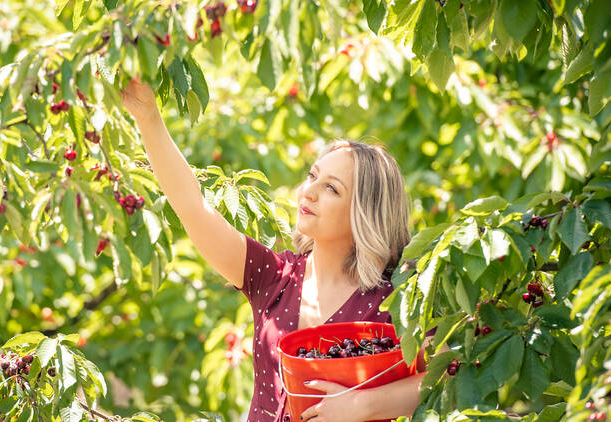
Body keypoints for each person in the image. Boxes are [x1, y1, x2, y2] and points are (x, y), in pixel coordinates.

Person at [120, 77, 426, 422]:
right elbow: (192, 206)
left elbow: (446, 374)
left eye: (332, 189)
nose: (308, 192)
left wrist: (361, 406)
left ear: (365, 214)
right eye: (312, 176)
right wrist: (148, 118)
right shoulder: (275, 277)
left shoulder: (398, 299)